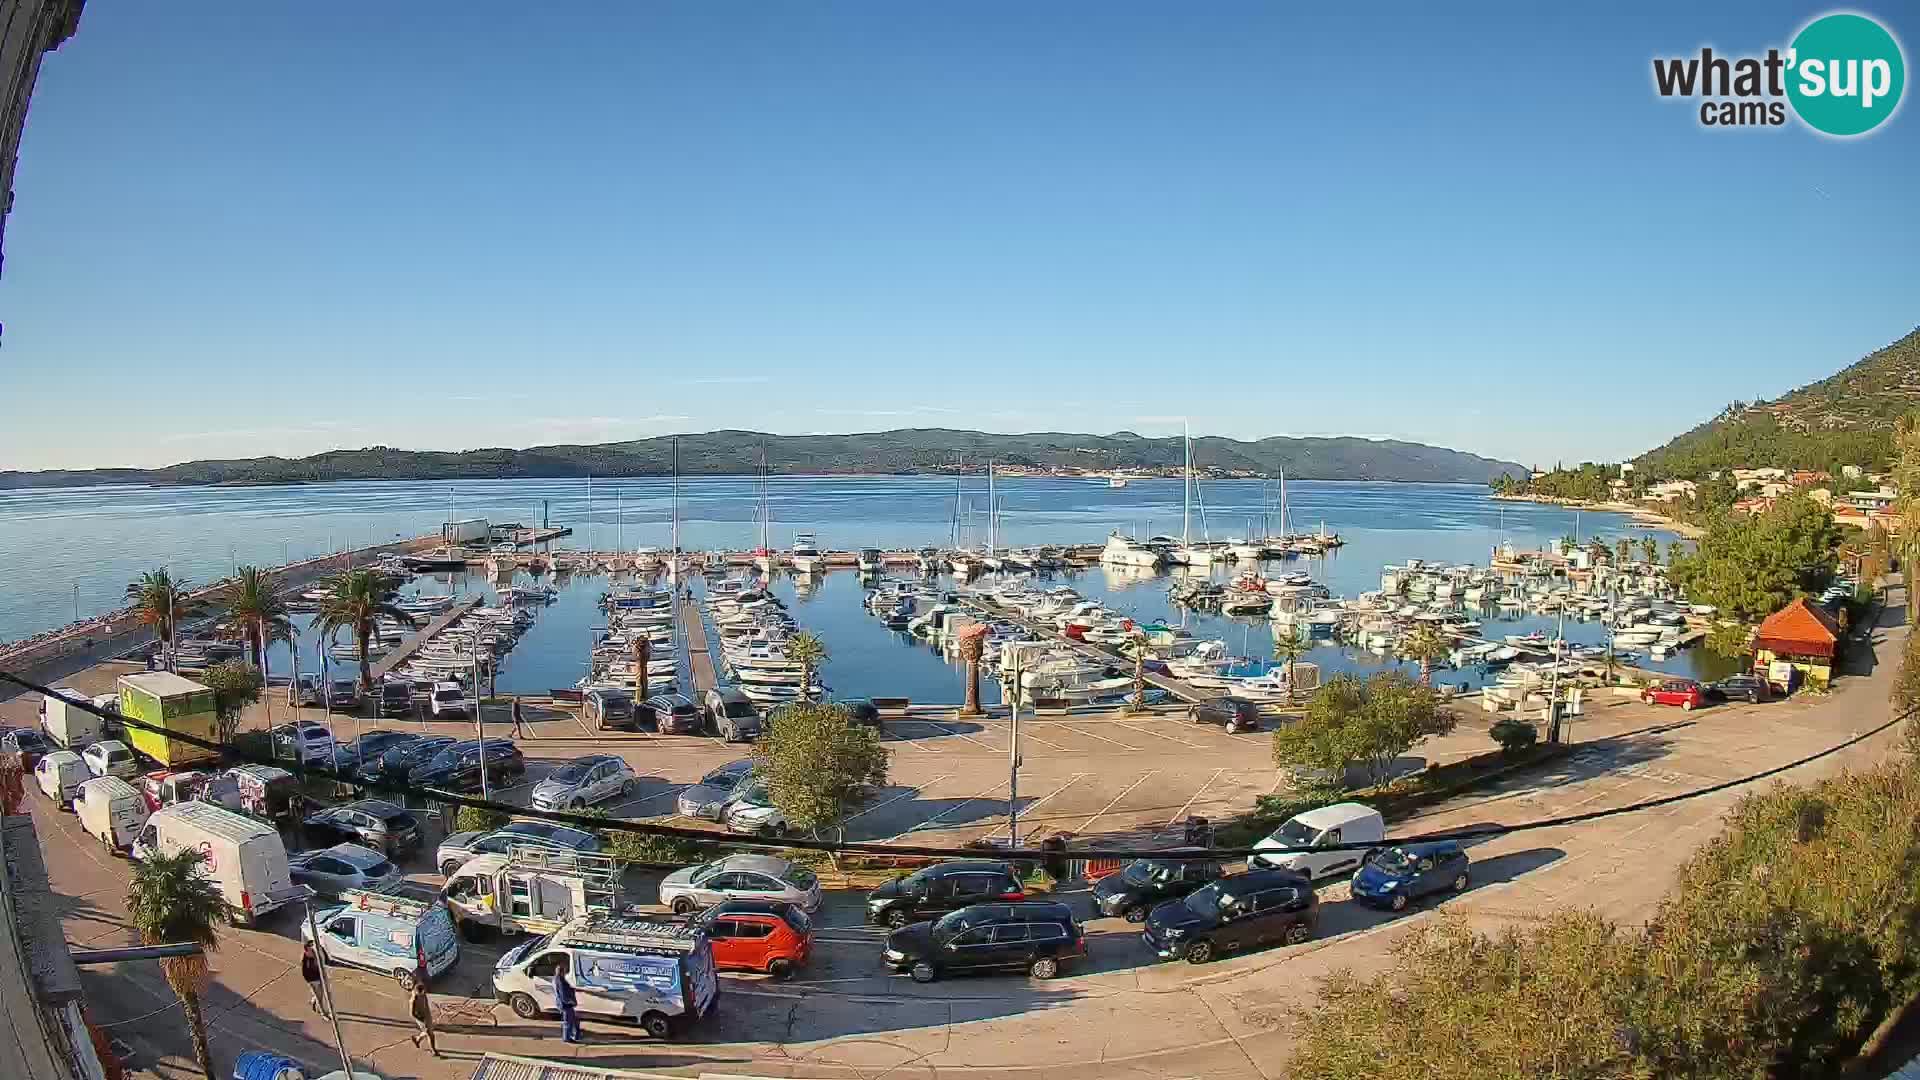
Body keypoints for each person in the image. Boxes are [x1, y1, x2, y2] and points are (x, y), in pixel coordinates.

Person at [408, 955, 438, 1057]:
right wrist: (421, 1019)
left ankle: (417, 1039)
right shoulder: (414, 1000)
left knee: (428, 1031)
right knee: (430, 1034)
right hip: (421, 1017)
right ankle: (434, 1051)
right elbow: (412, 1013)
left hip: (427, 1014)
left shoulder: (421, 989)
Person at [556, 967, 581, 1044]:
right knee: (568, 1022)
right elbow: (563, 995)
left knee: (573, 1020)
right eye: (564, 971)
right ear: (561, 972)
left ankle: (575, 1035)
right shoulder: (560, 981)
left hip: (565, 1004)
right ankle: (567, 1038)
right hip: (566, 1005)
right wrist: (571, 1001)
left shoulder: (558, 979)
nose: (565, 973)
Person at [300, 942, 326, 1015]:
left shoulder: (315, 954)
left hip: (319, 977)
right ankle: (322, 1011)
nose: (312, 950)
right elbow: (304, 972)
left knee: (320, 994)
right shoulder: (305, 960)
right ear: (306, 951)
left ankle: (314, 1002)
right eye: (310, 949)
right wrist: (309, 982)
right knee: (318, 995)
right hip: (312, 979)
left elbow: (320, 964)